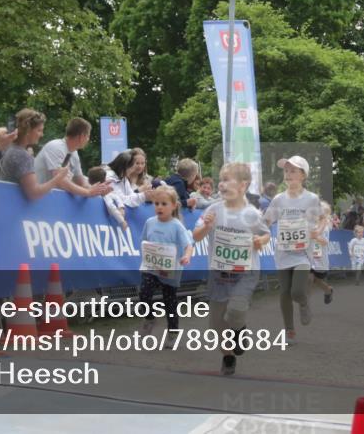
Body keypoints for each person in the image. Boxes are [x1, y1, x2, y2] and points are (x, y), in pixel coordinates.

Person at [191, 162, 271, 376]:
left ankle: (239, 331)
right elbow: (195, 235)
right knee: (216, 324)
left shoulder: (252, 213)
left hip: (246, 272)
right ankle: (228, 356)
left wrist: (259, 240)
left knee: (235, 310)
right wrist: (206, 227)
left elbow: (266, 234)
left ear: (243, 185)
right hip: (218, 273)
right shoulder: (213, 209)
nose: (221, 185)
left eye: (227, 180)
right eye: (220, 180)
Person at [262, 155, 322, 341]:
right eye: (286, 171)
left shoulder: (311, 199)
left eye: (293, 171)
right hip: (283, 252)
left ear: (303, 175)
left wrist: (316, 231)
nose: (288, 174)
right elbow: (267, 221)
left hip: (303, 253)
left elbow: (321, 221)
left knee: (296, 291)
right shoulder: (279, 199)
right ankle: (289, 330)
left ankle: (303, 302)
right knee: (285, 292)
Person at [138, 186, 194, 335]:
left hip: (170, 271)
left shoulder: (177, 226)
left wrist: (186, 256)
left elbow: (188, 245)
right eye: (156, 204)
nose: (159, 207)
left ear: (174, 206)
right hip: (151, 268)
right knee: (144, 294)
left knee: (170, 303)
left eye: (164, 204)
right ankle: (149, 318)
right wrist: (146, 255)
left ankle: (173, 332)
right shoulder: (149, 222)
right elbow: (144, 241)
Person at [0, 108, 68, 200]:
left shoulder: (11, 149)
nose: (42, 134)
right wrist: (58, 178)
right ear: (28, 131)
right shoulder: (22, 155)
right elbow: (34, 193)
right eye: (39, 130)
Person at [34, 117, 111, 198]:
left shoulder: (74, 153)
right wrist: (88, 192)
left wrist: (98, 190)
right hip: (37, 201)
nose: (88, 140)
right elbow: (60, 181)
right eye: (88, 136)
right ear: (81, 136)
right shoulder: (55, 147)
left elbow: (81, 182)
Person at [310, 201, 335, 305]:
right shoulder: (311, 224)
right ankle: (304, 302)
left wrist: (315, 236)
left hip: (320, 260)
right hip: (309, 258)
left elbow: (325, 242)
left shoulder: (325, 227)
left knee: (316, 280)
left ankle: (328, 290)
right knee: (309, 278)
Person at [88, 166, 128, 230]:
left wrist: (121, 207)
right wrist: (122, 221)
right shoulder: (104, 195)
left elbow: (115, 196)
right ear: (104, 180)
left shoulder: (84, 189)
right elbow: (111, 207)